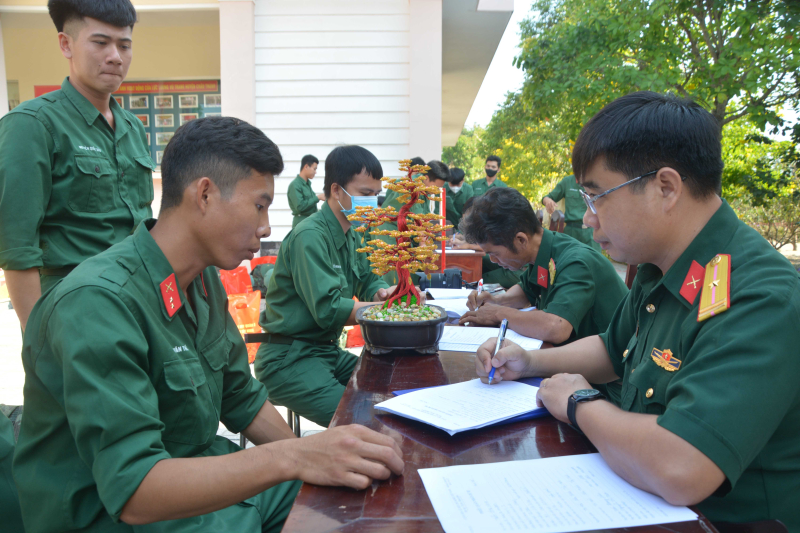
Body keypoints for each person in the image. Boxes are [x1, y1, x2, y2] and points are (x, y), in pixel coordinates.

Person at [12, 118, 404, 533]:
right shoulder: (98, 302)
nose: (266, 227)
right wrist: (297, 458)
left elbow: (241, 398)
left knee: (361, 498)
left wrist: (321, 458)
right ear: (204, 194)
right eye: (259, 204)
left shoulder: (200, 283)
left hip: (205, 482)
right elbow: (135, 489)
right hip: (120, 514)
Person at [474, 92, 800, 530]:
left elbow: (683, 465)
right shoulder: (659, 266)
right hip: (640, 498)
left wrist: (579, 403)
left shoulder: (758, 294)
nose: (587, 219)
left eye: (596, 197)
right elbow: (612, 350)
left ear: (665, 188)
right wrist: (528, 361)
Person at [0, 0, 154, 333]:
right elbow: (17, 248)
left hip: (139, 302)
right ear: (65, 44)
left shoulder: (132, 127)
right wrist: (39, 343)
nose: (115, 56)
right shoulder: (32, 124)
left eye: (124, 45)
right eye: (101, 42)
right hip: (74, 308)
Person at [255, 145, 399, 427]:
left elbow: (367, 277)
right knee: (361, 422)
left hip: (325, 351)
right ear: (336, 190)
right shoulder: (310, 236)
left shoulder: (352, 234)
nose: (372, 202)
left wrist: (384, 291)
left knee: (394, 390)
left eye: (375, 195)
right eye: (365, 194)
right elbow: (329, 310)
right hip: (289, 358)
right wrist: (385, 310)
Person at [460, 187, 628, 402]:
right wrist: (497, 300)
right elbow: (527, 291)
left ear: (521, 240)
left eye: (495, 254)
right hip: (573, 367)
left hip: (612, 384)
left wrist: (497, 313)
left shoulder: (575, 261)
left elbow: (556, 327)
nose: (493, 261)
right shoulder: (543, 253)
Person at [451, 196, 524, 289]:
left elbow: (492, 245)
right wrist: (464, 240)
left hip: (518, 271)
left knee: (474, 279)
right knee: (480, 265)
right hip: (508, 263)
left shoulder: (497, 223)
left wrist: (468, 245)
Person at [542, 175, 601, 251]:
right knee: (570, 259)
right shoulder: (567, 182)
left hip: (591, 232)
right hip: (571, 231)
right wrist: (548, 201)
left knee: (593, 260)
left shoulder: (596, 179)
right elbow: (546, 198)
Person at [287, 154, 324, 228]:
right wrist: (318, 198)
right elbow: (300, 207)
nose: (315, 172)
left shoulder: (307, 184)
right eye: (314, 169)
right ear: (306, 166)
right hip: (301, 224)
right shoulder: (295, 185)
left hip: (310, 222)